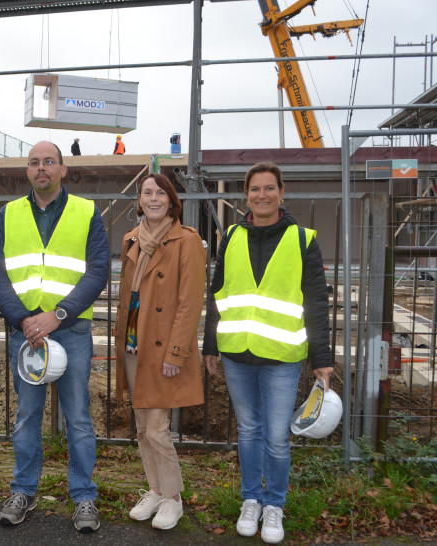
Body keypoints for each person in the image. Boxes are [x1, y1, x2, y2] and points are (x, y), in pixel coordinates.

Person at [202, 162, 333, 545]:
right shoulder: (231, 236)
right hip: (236, 353)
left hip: (282, 355)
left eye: (269, 188)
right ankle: (251, 500)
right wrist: (210, 345)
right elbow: (218, 293)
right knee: (249, 432)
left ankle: (274, 504)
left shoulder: (302, 239)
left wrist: (322, 358)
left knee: (276, 436)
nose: (262, 195)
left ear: (281, 192)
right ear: (247, 195)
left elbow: (317, 304)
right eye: (255, 189)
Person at [0, 141, 109, 533]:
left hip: (69, 330)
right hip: (26, 335)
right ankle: (24, 490)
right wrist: (23, 319)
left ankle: (84, 496)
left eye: (49, 162)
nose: (42, 168)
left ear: (63, 169)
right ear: (27, 171)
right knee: (26, 417)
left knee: (79, 418)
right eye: (35, 162)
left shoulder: (87, 212)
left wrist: (57, 316)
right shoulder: (9, 214)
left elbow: (98, 269)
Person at [114, 174, 206, 530]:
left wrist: (177, 352)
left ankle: (173, 498)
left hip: (163, 349)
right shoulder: (132, 239)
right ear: (139, 199)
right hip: (134, 346)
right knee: (141, 428)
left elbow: (189, 303)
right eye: (147, 192)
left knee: (157, 429)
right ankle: (155, 489)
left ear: (171, 200)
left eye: (160, 193)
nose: (153, 199)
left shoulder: (186, 241)